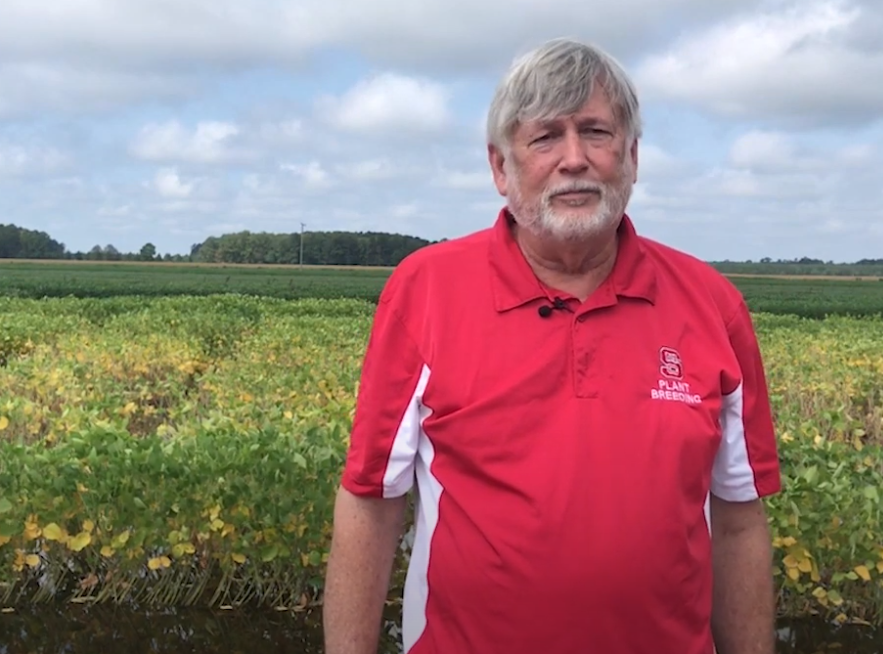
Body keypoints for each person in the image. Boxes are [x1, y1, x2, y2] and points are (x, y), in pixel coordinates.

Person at [322, 38, 783, 654]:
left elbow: (739, 519)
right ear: (499, 167)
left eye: (596, 132)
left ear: (633, 156)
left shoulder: (712, 304)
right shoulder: (424, 291)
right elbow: (371, 502)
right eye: (545, 138)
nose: (574, 159)